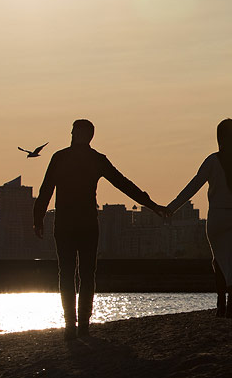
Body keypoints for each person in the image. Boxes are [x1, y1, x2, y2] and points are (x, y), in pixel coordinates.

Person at [34, 119, 162, 338]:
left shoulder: (61, 158)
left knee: (68, 273)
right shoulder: (94, 160)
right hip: (85, 224)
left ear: (75, 133)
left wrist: (38, 218)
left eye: (76, 132)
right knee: (84, 273)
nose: (75, 135)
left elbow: (46, 189)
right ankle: (81, 323)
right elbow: (124, 184)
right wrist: (151, 204)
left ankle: (73, 324)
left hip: (68, 224)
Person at [165, 118, 232, 318]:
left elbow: (193, 186)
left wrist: (172, 207)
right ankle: (231, 304)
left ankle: (220, 304)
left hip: (218, 216)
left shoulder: (213, 161)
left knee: (219, 261)